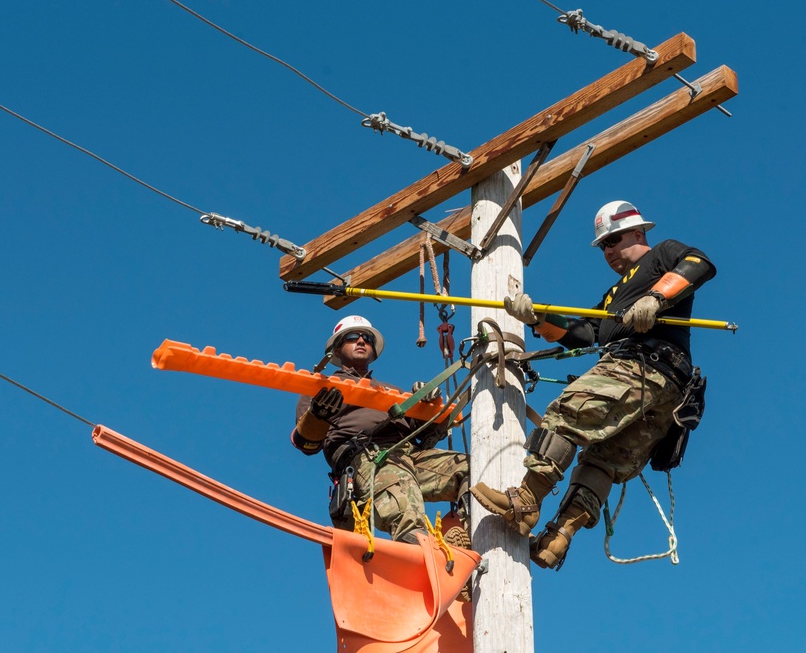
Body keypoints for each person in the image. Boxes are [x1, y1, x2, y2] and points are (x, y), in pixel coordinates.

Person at [470, 200, 715, 569]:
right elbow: (587, 333)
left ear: (639, 232)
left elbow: (699, 263)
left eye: (615, 240)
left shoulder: (663, 255)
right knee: (603, 460)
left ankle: (526, 498)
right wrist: (538, 318)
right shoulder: (615, 296)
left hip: (644, 367)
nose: (610, 250)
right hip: (663, 390)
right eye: (604, 246)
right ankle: (559, 536)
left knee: (570, 412)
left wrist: (657, 298)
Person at [291, 315, 470, 544]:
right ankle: (417, 548)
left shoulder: (392, 392)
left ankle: (469, 536)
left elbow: (424, 437)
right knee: (401, 493)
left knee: (473, 469)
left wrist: (427, 405)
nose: (361, 341)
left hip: (409, 454)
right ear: (337, 349)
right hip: (366, 457)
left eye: (367, 338)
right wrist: (318, 415)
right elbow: (305, 443)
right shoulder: (320, 388)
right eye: (352, 337)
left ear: (373, 351)